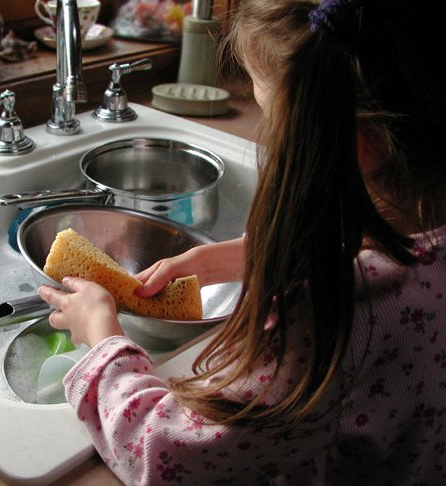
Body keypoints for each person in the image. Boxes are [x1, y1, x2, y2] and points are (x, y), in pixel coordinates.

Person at [37, 0, 446, 483]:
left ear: (354, 145)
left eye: (271, 115)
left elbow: (172, 457)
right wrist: (243, 257)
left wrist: (103, 339)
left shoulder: (328, 316)